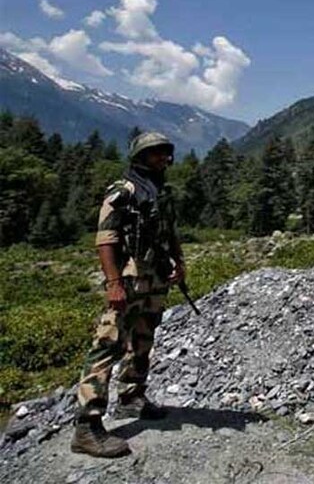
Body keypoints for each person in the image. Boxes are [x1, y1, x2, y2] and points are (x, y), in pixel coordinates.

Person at [71, 132, 185, 458]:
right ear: (140, 157)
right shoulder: (123, 191)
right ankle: (86, 426)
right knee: (108, 344)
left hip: (155, 278)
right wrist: (113, 283)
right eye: (155, 154)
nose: (163, 158)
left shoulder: (162, 192)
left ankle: (132, 397)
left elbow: (170, 232)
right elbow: (105, 238)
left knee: (144, 338)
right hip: (129, 278)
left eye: (165, 153)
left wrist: (181, 263)